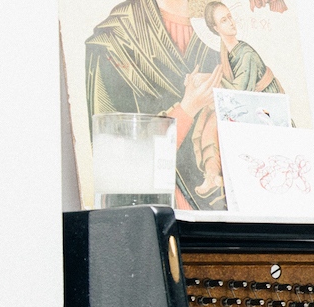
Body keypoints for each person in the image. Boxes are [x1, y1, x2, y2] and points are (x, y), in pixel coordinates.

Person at [86, 0, 224, 210]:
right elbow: (115, 157)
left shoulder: (221, 21)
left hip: (227, 215)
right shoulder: (116, 37)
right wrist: (187, 108)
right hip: (157, 213)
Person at [191, 1, 285, 196]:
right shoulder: (227, 50)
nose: (231, 23)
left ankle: (215, 173)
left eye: (230, 17)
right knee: (208, 114)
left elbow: (240, 92)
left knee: (213, 119)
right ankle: (212, 173)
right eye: (224, 21)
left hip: (266, 108)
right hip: (251, 103)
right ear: (216, 28)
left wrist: (207, 79)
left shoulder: (245, 54)